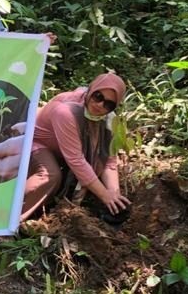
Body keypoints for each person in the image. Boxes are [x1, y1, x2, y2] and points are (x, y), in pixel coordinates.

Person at [20, 72, 130, 222]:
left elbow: (108, 161)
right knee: (49, 175)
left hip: (61, 151)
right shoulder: (66, 111)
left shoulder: (108, 120)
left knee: (92, 172)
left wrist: (114, 194)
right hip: (32, 143)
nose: (100, 105)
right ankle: (5, 221)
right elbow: (76, 160)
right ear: (91, 90)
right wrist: (104, 195)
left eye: (108, 104)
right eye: (98, 97)